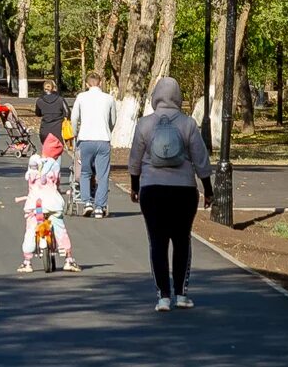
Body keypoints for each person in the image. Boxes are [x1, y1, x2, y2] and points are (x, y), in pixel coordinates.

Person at [129, 77, 212, 313]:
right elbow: (201, 159)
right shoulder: (188, 124)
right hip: (184, 192)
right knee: (182, 240)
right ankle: (182, 294)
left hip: (152, 190)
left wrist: (135, 187)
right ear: (178, 96)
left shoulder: (144, 124)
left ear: (156, 95)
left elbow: (135, 161)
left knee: (157, 242)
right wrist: (208, 189)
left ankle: (163, 296)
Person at [18, 133, 81, 273]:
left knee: (31, 230)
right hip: (53, 204)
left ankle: (27, 262)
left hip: (36, 206)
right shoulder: (54, 167)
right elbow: (56, 184)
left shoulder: (33, 166)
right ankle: (68, 259)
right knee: (60, 229)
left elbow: (30, 185)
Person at [71, 72, 117, 217]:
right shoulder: (109, 98)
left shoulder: (81, 97)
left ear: (86, 84)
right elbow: (113, 120)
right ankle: (99, 207)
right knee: (102, 175)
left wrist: (74, 132)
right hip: (103, 140)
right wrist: (107, 130)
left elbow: (74, 117)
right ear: (100, 82)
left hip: (85, 139)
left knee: (85, 172)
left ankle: (87, 202)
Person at [33, 79, 69, 145]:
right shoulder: (60, 99)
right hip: (58, 130)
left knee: (46, 151)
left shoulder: (40, 100)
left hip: (45, 130)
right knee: (57, 150)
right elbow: (67, 113)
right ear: (53, 88)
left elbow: (38, 113)